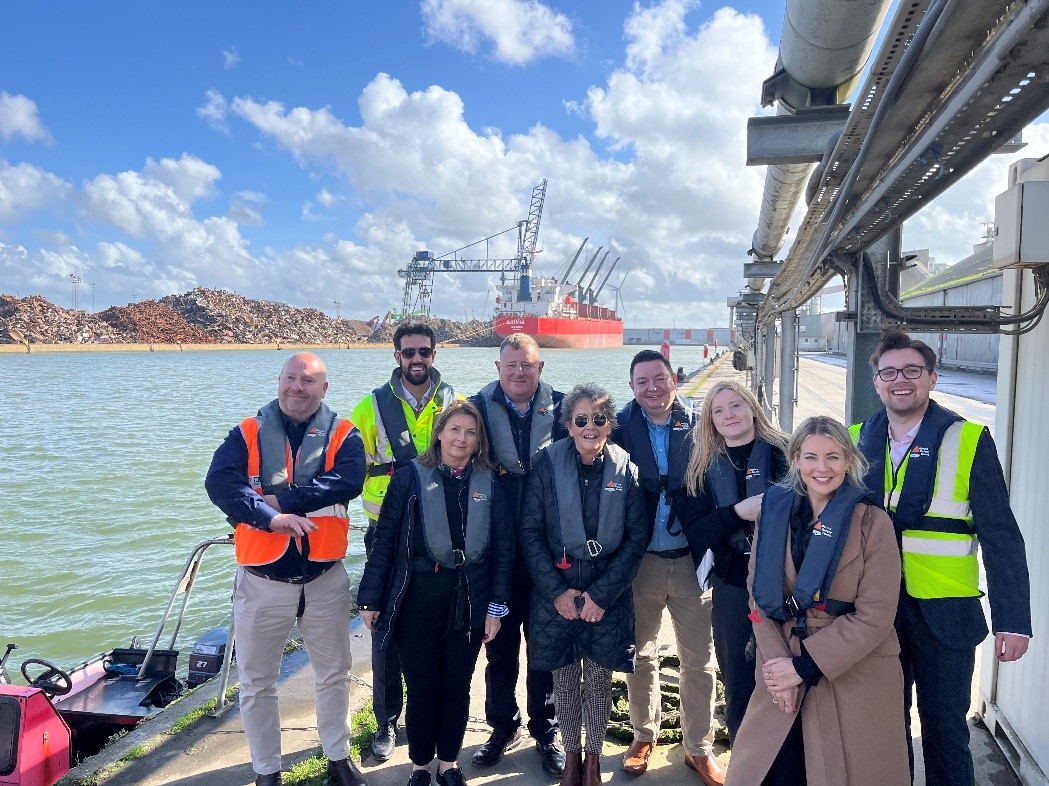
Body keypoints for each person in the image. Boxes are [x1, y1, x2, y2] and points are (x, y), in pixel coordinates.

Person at [851, 328, 1032, 786]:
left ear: (932, 378)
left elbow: (1001, 535)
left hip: (946, 611)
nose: (900, 381)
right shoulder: (854, 438)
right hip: (874, 610)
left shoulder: (969, 439)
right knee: (884, 730)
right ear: (876, 382)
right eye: (889, 372)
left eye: (912, 371)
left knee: (945, 731)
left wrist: (1013, 620)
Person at [204, 353, 368, 786]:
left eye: (309, 381)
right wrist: (268, 517)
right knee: (257, 683)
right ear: (279, 381)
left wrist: (286, 500)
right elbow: (219, 482)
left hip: (324, 579)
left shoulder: (345, 435)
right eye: (291, 378)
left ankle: (338, 757)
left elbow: (348, 481)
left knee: (334, 673)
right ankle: (266, 771)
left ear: (324, 388)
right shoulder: (247, 432)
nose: (298, 388)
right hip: (262, 580)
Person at [726, 416, 909, 786]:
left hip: (855, 669)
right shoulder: (773, 514)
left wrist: (804, 668)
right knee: (770, 771)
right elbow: (757, 597)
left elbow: (875, 616)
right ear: (795, 459)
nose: (821, 468)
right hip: (780, 661)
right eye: (810, 457)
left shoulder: (874, 523)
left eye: (833, 457)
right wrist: (781, 669)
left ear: (849, 461)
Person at [357, 401, 515, 786]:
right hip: (415, 603)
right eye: (455, 429)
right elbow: (385, 541)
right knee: (423, 686)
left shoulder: (489, 483)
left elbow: (504, 549)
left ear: (479, 442)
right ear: (440, 432)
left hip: (468, 603)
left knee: (457, 685)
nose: (461, 439)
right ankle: (420, 766)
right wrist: (371, 597)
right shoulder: (409, 478)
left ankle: (449, 763)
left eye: (471, 432)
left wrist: (495, 608)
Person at [520, 384, 649, 786]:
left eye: (598, 419)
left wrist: (600, 596)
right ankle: (571, 758)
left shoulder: (626, 470)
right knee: (563, 679)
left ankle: (592, 760)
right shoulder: (546, 464)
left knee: (597, 681)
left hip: (605, 598)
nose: (589, 427)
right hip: (556, 595)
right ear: (568, 425)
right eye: (580, 420)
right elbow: (531, 531)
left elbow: (635, 538)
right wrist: (556, 592)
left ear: (610, 424)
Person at [612, 350, 724, 785]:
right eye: (643, 381)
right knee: (640, 655)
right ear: (632, 387)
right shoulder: (618, 429)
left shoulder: (701, 425)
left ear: (674, 379)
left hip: (691, 560)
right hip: (640, 563)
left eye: (659, 378)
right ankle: (644, 734)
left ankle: (698, 747)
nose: (652, 388)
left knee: (699, 658)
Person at [351, 321, 459, 761]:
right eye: (408, 352)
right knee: (384, 630)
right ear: (396, 355)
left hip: (441, 535)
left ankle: (425, 716)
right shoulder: (370, 406)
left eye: (424, 352)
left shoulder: (455, 402)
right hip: (386, 533)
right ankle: (386, 722)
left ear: (434, 355)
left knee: (435, 630)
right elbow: (346, 467)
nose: (417, 359)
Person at [468, 334, 568, 776]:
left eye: (526, 365)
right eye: (510, 365)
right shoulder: (475, 411)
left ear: (540, 368)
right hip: (498, 553)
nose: (518, 373)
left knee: (545, 646)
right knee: (501, 648)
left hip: (549, 552)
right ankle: (501, 726)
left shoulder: (566, 410)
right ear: (497, 367)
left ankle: (546, 732)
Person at [680, 381, 789, 745]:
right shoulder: (700, 467)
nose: (729, 415)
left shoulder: (785, 454)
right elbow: (697, 532)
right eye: (718, 410)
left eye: (736, 405)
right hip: (731, 586)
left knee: (786, 670)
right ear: (709, 420)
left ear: (753, 407)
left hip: (785, 584)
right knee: (737, 677)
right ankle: (744, 753)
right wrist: (737, 512)